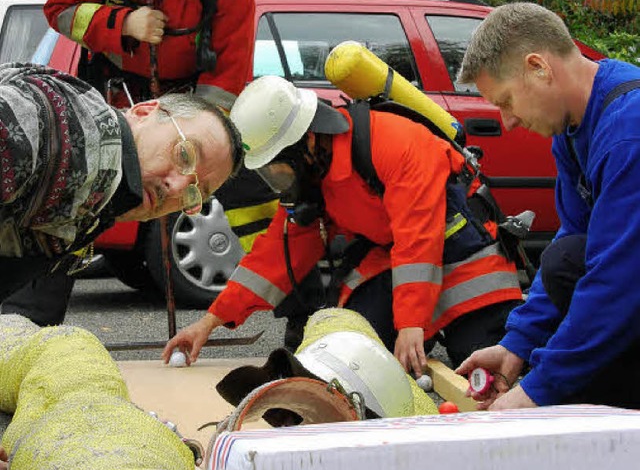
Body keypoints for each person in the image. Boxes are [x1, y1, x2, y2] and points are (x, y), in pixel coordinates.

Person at [2, 0, 275, 326]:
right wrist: (121, 23)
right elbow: (62, 9)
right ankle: (23, 325)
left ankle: (283, 296)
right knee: (73, 198)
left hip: (186, 104)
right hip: (107, 90)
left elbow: (226, 81)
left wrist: (191, 151)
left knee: (242, 181)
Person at [162, 75, 523, 376]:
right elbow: (275, 256)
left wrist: (410, 324)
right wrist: (208, 323)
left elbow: (419, 237)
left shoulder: (396, 144)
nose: (277, 180)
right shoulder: (317, 174)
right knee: (353, 346)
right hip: (398, 262)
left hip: (466, 261)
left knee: (480, 365)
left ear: (308, 141)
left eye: (276, 167)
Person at [455, 2, 640, 410]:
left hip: (630, 285)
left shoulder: (629, 131)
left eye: (506, 101)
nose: (508, 122)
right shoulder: (573, 129)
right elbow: (575, 242)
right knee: (564, 258)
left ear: (539, 67)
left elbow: (619, 281)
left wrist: (538, 390)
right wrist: (517, 345)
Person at [0, 63, 243, 304]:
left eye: (195, 192)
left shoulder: (97, 203)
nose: (177, 188)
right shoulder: (55, 121)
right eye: (185, 155)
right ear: (144, 112)